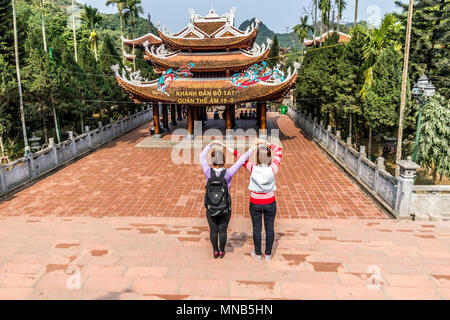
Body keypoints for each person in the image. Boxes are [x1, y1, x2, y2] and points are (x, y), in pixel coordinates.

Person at [200, 140, 256, 259]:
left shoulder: (207, 171)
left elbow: (201, 156)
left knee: (213, 230)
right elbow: (241, 161)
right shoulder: (228, 173)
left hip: (211, 207)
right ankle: (222, 251)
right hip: (224, 206)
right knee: (223, 230)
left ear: (213, 161)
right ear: (223, 161)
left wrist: (211, 144)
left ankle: (215, 251)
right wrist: (252, 149)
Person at [232, 139, 283, 261]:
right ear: (270, 158)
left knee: (256, 228)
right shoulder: (273, 169)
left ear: (258, 158)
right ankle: (269, 254)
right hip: (270, 201)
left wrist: (252, 148)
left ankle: (258, 253)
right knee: (269, 228)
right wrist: (265, 143)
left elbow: (241, 159)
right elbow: (279, 151)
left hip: (255, 202)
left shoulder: (252, 168)